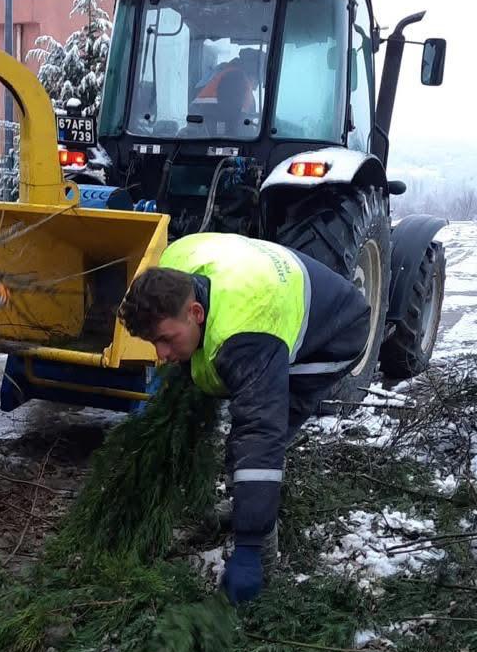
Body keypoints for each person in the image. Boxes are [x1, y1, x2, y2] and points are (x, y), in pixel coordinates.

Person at [119, 232, 371, 604]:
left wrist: (249, 546)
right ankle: (245, 506)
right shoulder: (174, 266)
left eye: (167, 340)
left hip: (337, 330)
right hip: (272, 287)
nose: (162, 354)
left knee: (261, 436)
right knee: (245, 429)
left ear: (196, 313)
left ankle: (263, 553)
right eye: (154, 342)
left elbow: (259, 432)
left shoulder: (245, 336)